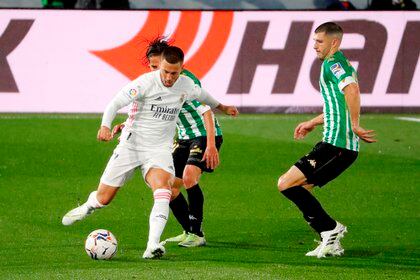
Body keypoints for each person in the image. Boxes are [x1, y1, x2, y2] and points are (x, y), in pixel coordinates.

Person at [62, 46, 228, 259]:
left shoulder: (186, 84)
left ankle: (152, 245)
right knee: (104, 198)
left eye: (173, 73)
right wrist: (105, 125)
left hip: (159, 149)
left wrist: (224, 107)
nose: (168, 77)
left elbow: (206, 98)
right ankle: (89, 205)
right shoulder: (145, 83)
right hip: (131, 146)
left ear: (181, 69)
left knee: (164, 190)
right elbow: (115, 102)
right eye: (165, 71)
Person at [112, 37, 238, 248]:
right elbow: (153, 111)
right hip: (182, 137)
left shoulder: (185, 81)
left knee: (189, 177)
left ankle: (197, 234)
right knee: (169, 187)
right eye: (152, 67)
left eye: (156, 66)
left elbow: (206, 111)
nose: (155, 71)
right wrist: (126, 124)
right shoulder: (157, 81)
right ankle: (187, 231)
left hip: (204, 134)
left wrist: (211, 144)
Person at [277, 22, 376, 259]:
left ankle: (330, 228)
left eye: (319, 42)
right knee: (300, 190)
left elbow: (352, 90)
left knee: (285, 183)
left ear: (334, 42)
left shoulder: (333, 64)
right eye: (314, 41)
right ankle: (329, 239)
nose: (315, 46)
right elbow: (337, 105)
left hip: (337, 146)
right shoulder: (338, 63)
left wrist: (354, 124)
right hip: (336, 146)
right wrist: (313, 122)